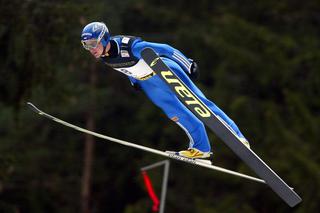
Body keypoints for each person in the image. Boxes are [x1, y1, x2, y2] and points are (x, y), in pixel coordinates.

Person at [80, 22, 250, 159]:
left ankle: (237, 136)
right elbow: (125, 68)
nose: (91, 49)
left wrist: (188, 64)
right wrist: (134, 81)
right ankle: (201, 148)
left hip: (164, 70)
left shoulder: (129, 46)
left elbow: (166, 49)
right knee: (175, 113)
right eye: (86, 45)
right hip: (149, 83)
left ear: (104, 38)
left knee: (197, 103)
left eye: (93, 44)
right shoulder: (104, 57)